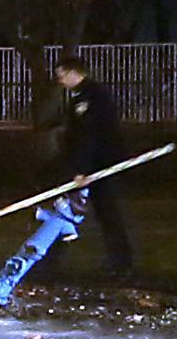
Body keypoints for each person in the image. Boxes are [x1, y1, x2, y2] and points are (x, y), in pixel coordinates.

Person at [53, 54, 135, 274]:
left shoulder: (90, 98)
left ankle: (121, 262)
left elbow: (88, 136)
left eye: (62, 76)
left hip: (101, 166)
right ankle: (118, 261)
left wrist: (81, 171)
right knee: (87, 212)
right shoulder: (83, 96)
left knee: (106, 213)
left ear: (73, 73)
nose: (60, 81)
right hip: (93, 166)